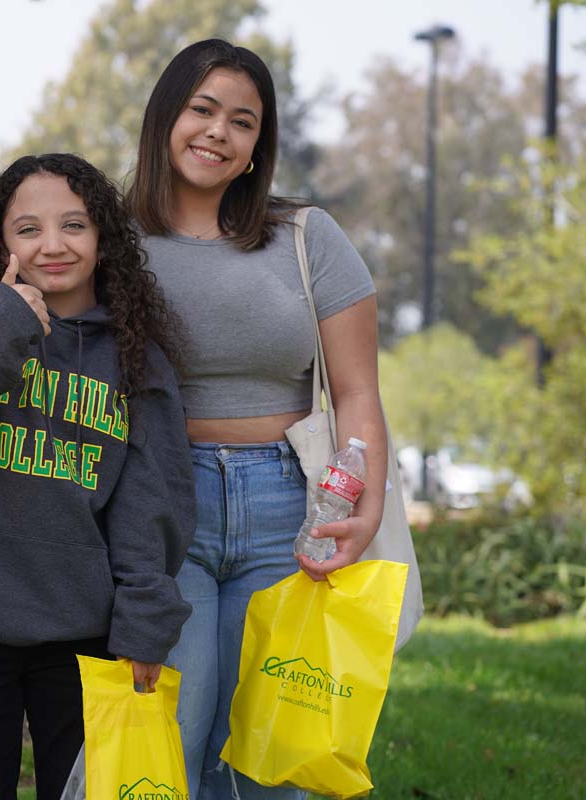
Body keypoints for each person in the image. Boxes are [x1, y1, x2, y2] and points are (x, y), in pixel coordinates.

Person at [126, 39, 387, 800]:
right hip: (160, 505)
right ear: (165, 117)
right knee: (167, 736)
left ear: (256, 147)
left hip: (288, 509)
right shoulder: (110, 239)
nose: (219, 132)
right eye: (202, 109)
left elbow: (358, 392)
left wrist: (362, 510)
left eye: (242, 122)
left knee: (265, 755)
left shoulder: (306, 237)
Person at [0, 153, 196, 800]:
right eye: (28, 229)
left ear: (104, 239)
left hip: (85, 629)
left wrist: (144, 618)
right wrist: (6, 320)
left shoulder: (135, 359)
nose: (53, 245)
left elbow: (151, 501)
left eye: (74, 225)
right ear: (0, 244)